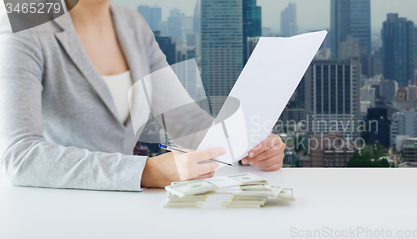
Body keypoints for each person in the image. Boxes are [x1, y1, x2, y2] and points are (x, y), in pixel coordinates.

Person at [0, 0, 285, 191]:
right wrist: (148, 171)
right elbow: (20, 156)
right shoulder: (23, 22)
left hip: (127, 210)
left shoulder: (131, 23)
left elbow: (185, 121)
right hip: (55, 212)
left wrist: (247, 146)